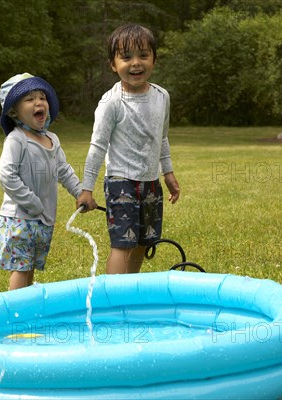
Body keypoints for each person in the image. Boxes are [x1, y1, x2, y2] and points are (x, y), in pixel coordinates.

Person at [77, 24, 181, 274]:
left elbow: (162, 137)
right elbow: (97, 147)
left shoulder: (162, 96)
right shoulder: (111, 102)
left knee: (143, 243)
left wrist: (168, 173)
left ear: (154, 59)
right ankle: (112, 302)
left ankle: (129, 295)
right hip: (121, 182)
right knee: (123, 244)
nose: (136, 63)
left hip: (151, 182)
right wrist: (86, 189)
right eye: (126, 57)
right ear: (113, 64)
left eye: (143, 55)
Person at [0, 73, 82, 290]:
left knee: (30, 266)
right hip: (20, 217)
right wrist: (31, 202)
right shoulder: (17, 139)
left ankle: (25, 312)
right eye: (29, 99)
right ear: (14, 111)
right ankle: (16, 314)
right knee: (22, 268)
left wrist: (80, 192)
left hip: (43, 217)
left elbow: (63, 169)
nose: (38, 102)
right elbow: (7, 174)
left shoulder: (52, 139)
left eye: (42, 97)